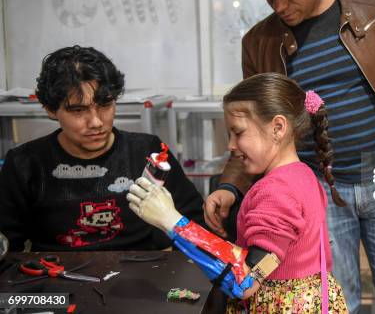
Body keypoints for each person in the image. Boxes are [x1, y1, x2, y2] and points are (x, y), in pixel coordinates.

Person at [204, 0, 375, 313]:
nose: (278, 3)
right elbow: (253, 126)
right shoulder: (258, 42)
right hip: (316, 193)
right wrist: (230, 185)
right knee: (334, 303)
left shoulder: (372, 12)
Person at [128, 73, 348, 313]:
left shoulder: (276, 191)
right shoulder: (303, 174)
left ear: (278, 127)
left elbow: (244, 281)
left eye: (238, 132)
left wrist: (170, 220)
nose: (230, 145)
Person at [0, 45, 204, 251]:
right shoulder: (24, 163)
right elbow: (7, 245)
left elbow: (194, 223)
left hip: (144, 273)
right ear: (51, 110)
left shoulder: (148, 152)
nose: (96, 122)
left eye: (105, 105)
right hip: (56, 277)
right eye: (78, 110)